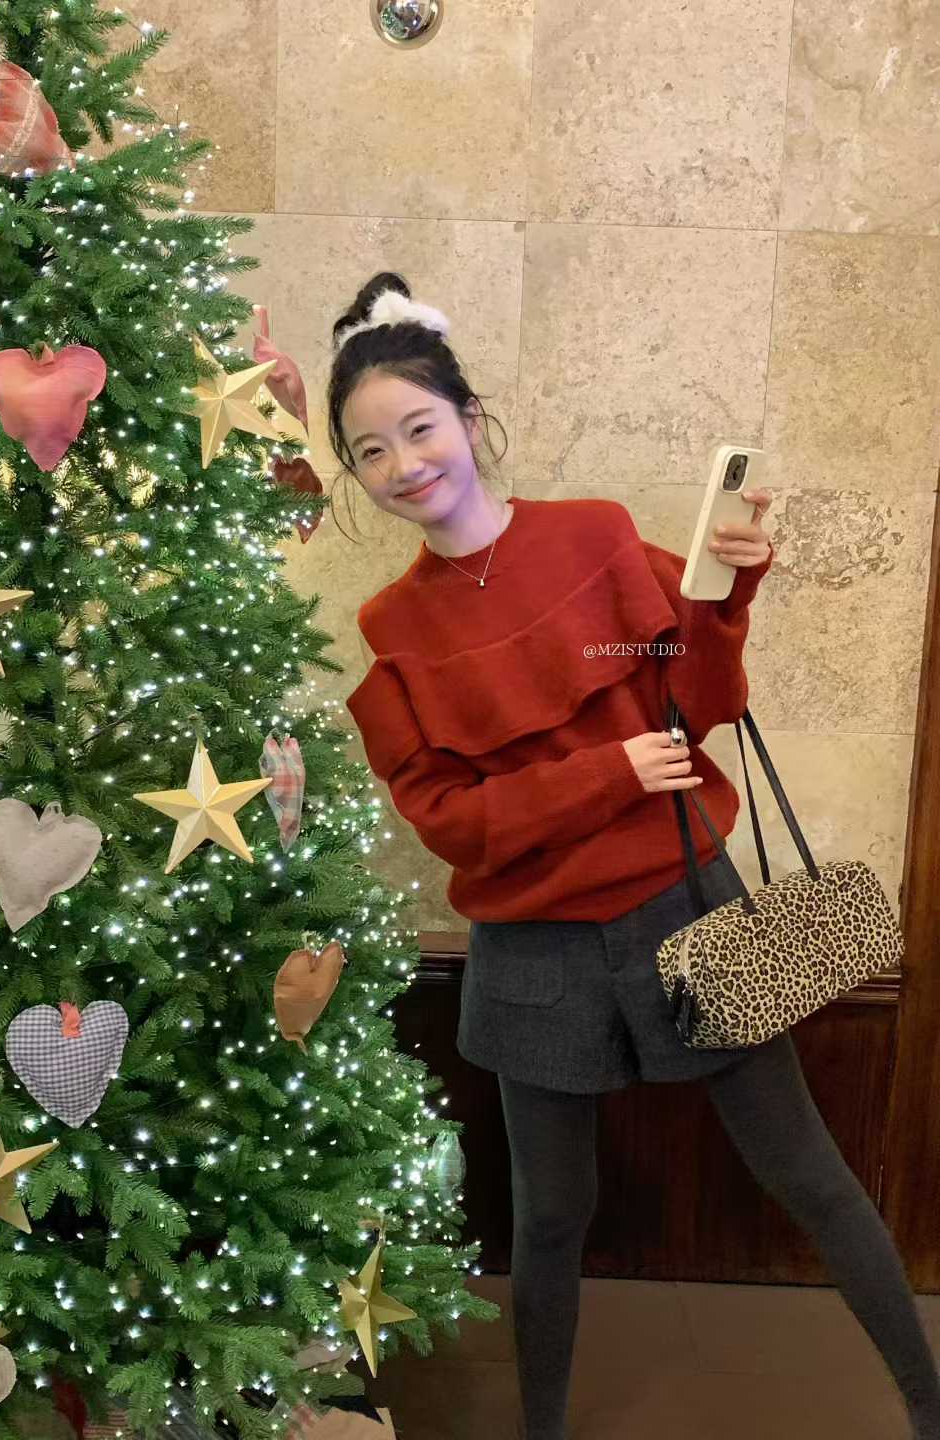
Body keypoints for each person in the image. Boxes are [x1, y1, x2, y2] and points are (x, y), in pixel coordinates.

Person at [329, 271, 940, 1440]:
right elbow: (449, 821)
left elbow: (701, 703)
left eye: (419, 427)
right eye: (371, 451)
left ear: (469, 418)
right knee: (551, 1215)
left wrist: (726, 593)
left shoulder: (595, 535)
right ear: (356, 476)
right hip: (531, 950)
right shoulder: (392, 628)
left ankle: (928, 1405)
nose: (404, 463)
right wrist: (606, 774)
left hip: (685, 905)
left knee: (810, 1175)